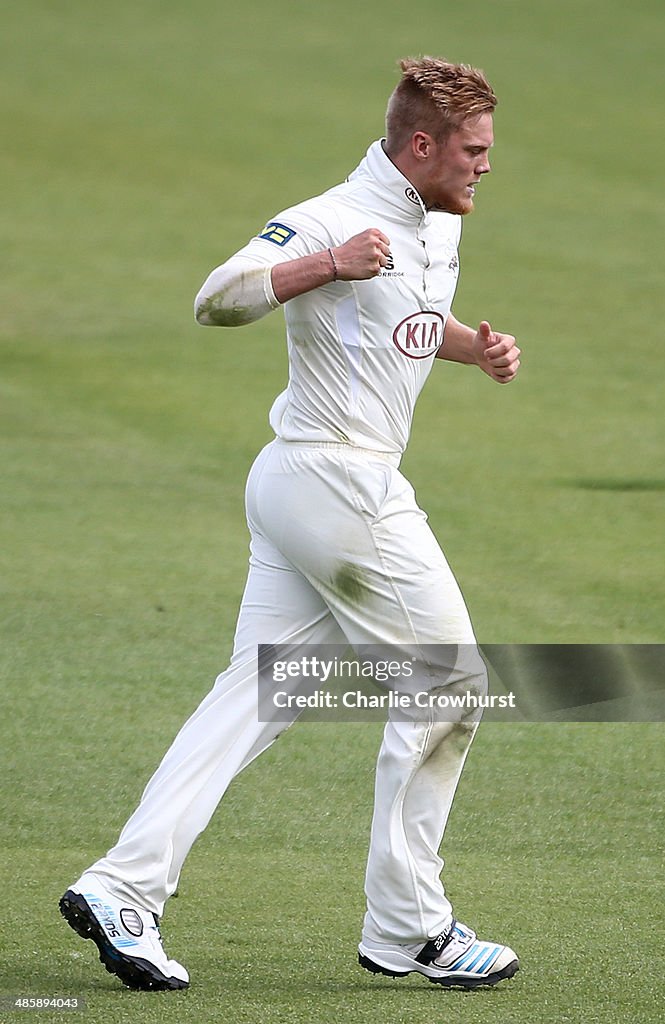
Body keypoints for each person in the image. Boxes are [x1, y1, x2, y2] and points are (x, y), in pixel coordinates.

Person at [59, 56, 521, 992]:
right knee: (446, 685)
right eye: (472, 151)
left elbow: (406, 314)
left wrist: (472, 346)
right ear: (420, 146)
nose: (485, 166)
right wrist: (327, 264)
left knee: (261, 694)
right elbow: (215, 297)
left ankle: (123, 887)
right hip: (335, 482)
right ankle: (410, 928)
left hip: (306, 489)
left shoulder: (435, 221)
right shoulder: (331, 216)